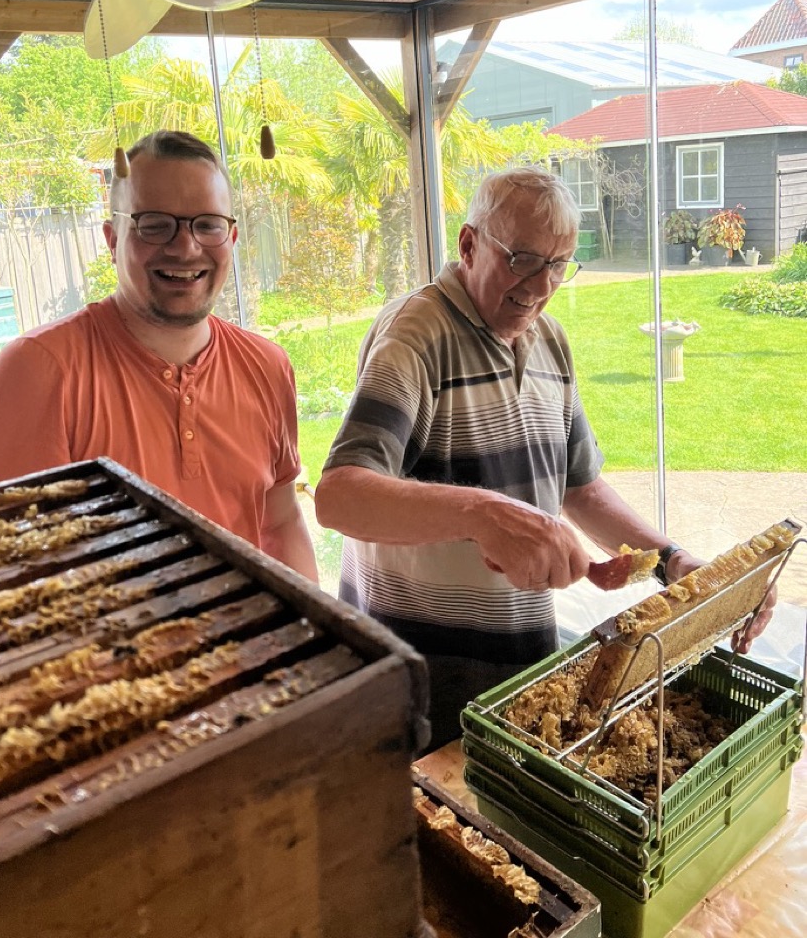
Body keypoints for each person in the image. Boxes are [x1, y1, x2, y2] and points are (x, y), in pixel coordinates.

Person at [315, 167, 770, 749]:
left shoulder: (549, 339)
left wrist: (671, 562)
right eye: (522, 259)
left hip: (518, 668)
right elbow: (340, 497)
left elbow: (581, 488)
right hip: (419, 681)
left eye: (558, 264)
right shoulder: (415, 336)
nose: (539, 284)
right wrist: (483, 514)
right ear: (469, 244)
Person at [0, 129, 319, 583]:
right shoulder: (36, 372)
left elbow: (279, 523)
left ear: (231, 237)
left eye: (208, 224)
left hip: (245, 628)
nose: (185, 247)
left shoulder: (266, 365)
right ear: (113, 240)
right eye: (154, 224)